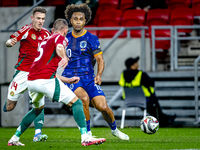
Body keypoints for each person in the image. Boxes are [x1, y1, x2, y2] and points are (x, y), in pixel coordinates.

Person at [7, 18, 106, 146]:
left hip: (31, 81)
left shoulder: (44, 41)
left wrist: (68, 80)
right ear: (65, 31)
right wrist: (64, 56)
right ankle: (86, 137)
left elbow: (49, 70)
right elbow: (60, 46)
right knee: (76, 103)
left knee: (36, 110)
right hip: (45, 81)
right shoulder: (60, 38)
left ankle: (14, 138)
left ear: (52, 30)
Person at [62, 4, 129, 140]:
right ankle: (87, 133)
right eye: (75, 19)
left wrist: (98, 75)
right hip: (71, 77)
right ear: (70, 20)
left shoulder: (92, 39)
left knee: (103, 107)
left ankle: (115, 130)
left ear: (85, 20)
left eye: (81, 19)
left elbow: (100, 60)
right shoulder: (64, 38)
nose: (78, 22)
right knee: (83, 99)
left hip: (89, 78)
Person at [3, 6, 51, 142]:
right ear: (32, 18)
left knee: (39, 104)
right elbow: (9, 41)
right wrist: (10, 43)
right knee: (10, 107)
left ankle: (38, 134)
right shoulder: (26, 30)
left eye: (42, 19)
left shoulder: (47, 33)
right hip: (22, 72)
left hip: (38, 73)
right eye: (38, 18)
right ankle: (8, 100)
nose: (40, 21)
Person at [119, 56, 176, 127]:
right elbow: (151, 83)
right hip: (144, 100)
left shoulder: (123, 75)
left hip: (128, 100)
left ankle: (164, 119)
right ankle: (164, 120)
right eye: (136, 63)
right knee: (153, 103)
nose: (138, 64)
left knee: (152, 106)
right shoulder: (141, 74)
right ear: (132, 66)